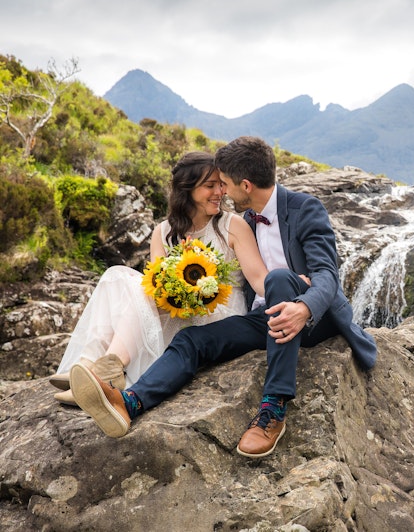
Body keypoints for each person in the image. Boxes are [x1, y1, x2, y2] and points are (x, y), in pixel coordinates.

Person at [69, 136, 377, 457]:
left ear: (245, 185)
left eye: (225, 184)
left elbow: (328, 277)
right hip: (264, 318)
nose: (222, 192)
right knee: (192, 340)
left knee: (281, 280)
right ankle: (129, 402)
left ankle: (272, 409)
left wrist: (303, 306)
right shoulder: (243, 222)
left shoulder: (305, 209)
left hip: (315, 317)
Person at [50, 151, 268, 405]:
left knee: (138, 291)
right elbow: (156, 287)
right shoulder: (163, 231)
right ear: (187, 189)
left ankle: (102, 372)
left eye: (221, 184)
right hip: (176, 312)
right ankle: (93, 366)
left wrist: (297, 291)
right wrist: (178, 289)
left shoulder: (232, 225)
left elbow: (258, 279)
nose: (220, 192)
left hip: (219, 315)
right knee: (116, 276)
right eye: (210, 185)